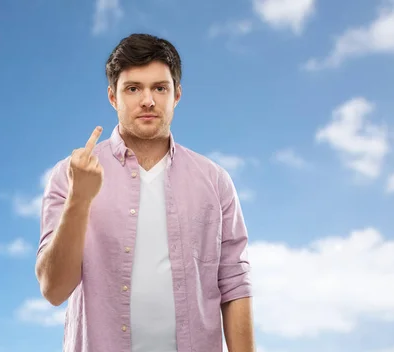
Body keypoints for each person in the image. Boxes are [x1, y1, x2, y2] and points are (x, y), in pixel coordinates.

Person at [35, 33, 255, 352]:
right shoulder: (70, 174)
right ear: (113, 97)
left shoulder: (215, 180)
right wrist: (79, 198)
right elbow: (54, 290)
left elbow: (235, 283)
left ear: (177, 95)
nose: (147, 100)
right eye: (133, 88)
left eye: (159, 88)